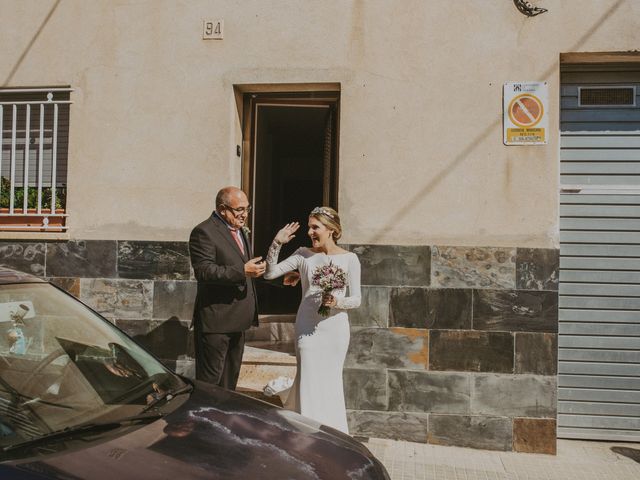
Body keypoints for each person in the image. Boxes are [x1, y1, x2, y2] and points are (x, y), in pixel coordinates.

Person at [263, 206, 361, 433]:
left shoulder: (350, 259)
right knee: (308, 375)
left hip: (335, 329)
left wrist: (337, 302)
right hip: (307, 326)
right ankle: (306, 433)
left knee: (330, 381)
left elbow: (356, 299)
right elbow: (270, 273)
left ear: (331, 230)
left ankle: (332, 431)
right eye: (309, 227)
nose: (310, 232)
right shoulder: (302, 254)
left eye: (315, 227)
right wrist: (277, 242)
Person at [189, 186, 265, 389]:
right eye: (239, 209)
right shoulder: (204, 231)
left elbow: (244, 265)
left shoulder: (240, 231)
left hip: (238, 320)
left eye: (247, 209)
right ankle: (204, 420)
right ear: (223, 209)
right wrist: (243, 270)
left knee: (230, 381)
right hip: (216, 321)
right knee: (210, 383)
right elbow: (204, 271)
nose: (244, 215)